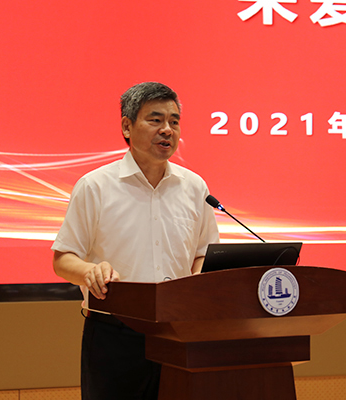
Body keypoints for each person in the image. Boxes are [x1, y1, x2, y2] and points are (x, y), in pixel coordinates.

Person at [52, 81, 220, 400]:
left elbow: (204, 254)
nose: (167, 130)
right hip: (115, 334)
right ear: (127, 127)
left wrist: (195, 288)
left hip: (178, 331)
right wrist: (89, 272)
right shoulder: (95, 186)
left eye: (174, 121)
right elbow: (63, 259)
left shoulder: (195, 187)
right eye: (155, 120)